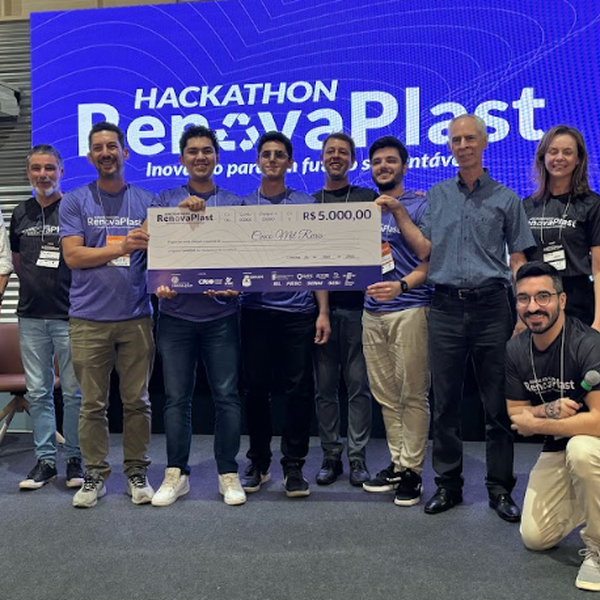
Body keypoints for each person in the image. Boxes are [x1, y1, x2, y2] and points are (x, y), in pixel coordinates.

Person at [388, 114, 535, 520]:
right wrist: (399, 212)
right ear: (450, 146)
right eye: (456, 140)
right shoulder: (437, 196)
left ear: (484, 143)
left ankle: (499, 489)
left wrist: (523, 309)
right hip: (446, 307)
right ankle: (448, 485)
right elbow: (424, 250)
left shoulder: (507, 198)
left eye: (470, 138)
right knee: (445, 404)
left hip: (493, 307)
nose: (463, 145)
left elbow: (518, 259)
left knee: (497, 405)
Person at [60, 121, 155, 508]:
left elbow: (163, 253)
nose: (105, 153)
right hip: (88, 319)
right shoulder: (75, 201)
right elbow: (73, 256)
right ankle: (95, 475)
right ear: (89, 156)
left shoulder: (147, 201)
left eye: (112, 146)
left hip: (136, 317)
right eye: (98, 148)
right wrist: (121, 248)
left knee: (138, 402)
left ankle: (137, 472)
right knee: (92, 405)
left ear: (125, 152)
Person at [150, 125, 246, 507]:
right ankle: (177, 472)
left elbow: (245, 260)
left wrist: (237, 285)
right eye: (193, 151)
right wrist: (161, 283)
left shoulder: (234, 204)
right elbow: (152, 246)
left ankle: (228, 472)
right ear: (181, 159)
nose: (200, 157)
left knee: (227, 397)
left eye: (207, 151)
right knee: (176, 399)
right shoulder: (165, 199)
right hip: (175, 316)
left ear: (217, 157)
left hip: (221, 317)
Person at [240, 131, 330, 498]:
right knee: (255, 391)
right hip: (255, 311)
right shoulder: (244, 207)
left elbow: (318, 263)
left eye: (280, 155)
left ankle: (294, 465)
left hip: (298, 312)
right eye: (267, 154)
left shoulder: (305, 204)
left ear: (290, 162)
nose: (273, 160)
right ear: (258, 161)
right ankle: (259, 462)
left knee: (298, 391)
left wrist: (323, 311)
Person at [507, 261, 600, 592]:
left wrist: (539, 422)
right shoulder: (516, 349)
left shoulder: (587, 343)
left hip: (592, 443)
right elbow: (517, 416)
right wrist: (546, 411)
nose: (533, 307)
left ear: (562, 300)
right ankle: (592, 498)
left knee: (581, 449)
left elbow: (598, 421)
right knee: (536, 537)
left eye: (543, 296)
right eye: (524, 298)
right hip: (560, 447)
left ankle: (599, 550)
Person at [360, 136, 431, 506]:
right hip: (371, 312)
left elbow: (428, 255)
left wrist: (399, 211)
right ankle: (398, 463)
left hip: (410, 308)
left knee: (412, 393)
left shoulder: (421, 204)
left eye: (390, 160)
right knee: (386, 395)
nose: (383, 167)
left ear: (404, 165)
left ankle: (413, 471)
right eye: (376, 162)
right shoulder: (363, 211)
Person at [11, 145, 83, 490]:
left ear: (61, 172)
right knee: (38, 393)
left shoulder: (74, 208)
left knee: (74, 394)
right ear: (28, 173)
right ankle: (45, 461)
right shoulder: (19, 213)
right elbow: (15, 261)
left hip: (71, 315)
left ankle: (75, 459)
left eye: (50, 168)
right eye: (36, 169)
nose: (43, 175)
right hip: (30, 316)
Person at [312, 132, 376, 487]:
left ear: (352, 160)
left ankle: (357, 458)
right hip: (322, 311)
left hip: (361, 310)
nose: (335, 156)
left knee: (358, 388)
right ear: (322, 158)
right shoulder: (310, 203)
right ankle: (331, 456)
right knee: (324, 390)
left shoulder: (368, 200)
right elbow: (315, 263)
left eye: (342, 152)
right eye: (330, 151)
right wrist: (322, 311)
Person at [523, 125, 600, 329]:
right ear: (543, 157)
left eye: (567, 152)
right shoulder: (527, 207)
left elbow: (599, 268)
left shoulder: (592, 204)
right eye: (553, 151)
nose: (559, 158)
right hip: (536, 300)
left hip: (578, 298)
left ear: (578, 159)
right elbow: (519, 262)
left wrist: (599, 321)